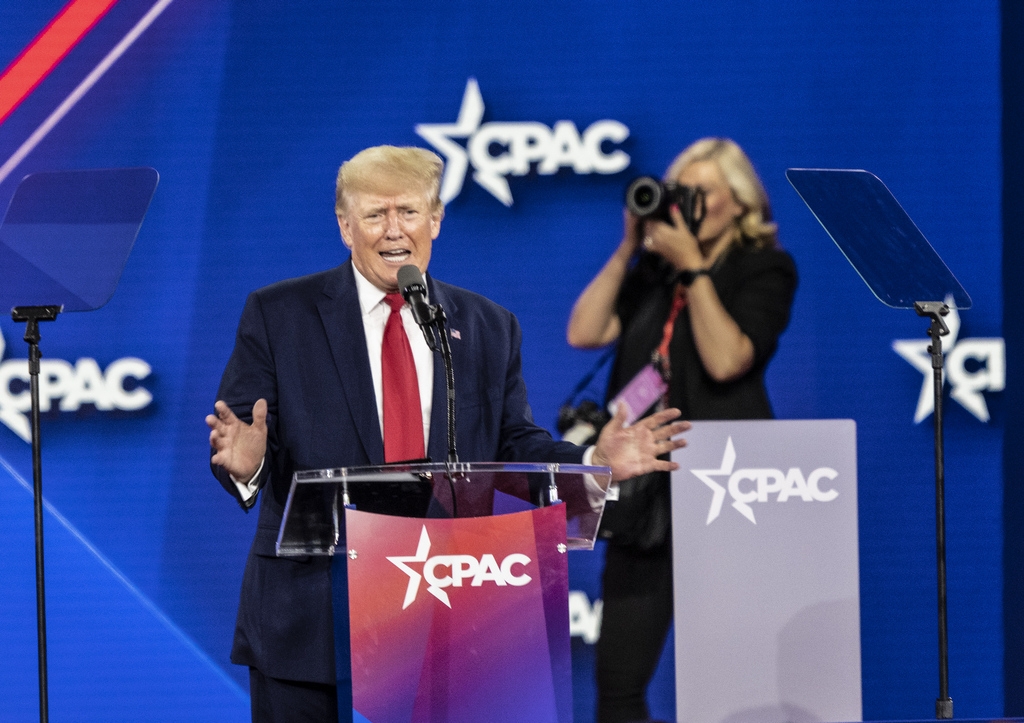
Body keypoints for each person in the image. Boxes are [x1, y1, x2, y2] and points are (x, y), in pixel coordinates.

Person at [206, 145, 691, 722]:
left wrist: (591, 458)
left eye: (409, 212)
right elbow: (245, 432)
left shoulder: (487, 325)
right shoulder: (280, 314)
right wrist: (249, 466)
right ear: (344, 226)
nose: (394, 230)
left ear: (435, 219)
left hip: (443, 611)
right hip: (311, 619)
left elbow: (513, 443)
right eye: (375, 214)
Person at [567, 138, 797, 723]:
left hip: (728, 493)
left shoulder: (764, 269)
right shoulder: (653, 271)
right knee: (618, 685)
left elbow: (727, 360)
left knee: (731, 688)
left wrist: (694, 268)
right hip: (646, 491)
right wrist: (629, 248)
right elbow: (585, 331)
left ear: (740, 204)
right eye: (680, 192)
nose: (687, 204)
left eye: (703, 193)